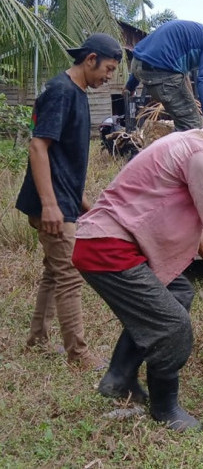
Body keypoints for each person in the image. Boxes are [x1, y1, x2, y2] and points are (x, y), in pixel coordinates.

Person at [72, 96, 203, 432]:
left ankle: (119, 378)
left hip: (115, 241)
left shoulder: (190, 144)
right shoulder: (202, 157)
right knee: (172, 326)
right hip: (108, 247)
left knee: (178, 292)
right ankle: (165, 409)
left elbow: (196, 230)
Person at [17, 33, 123, 370]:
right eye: (107, 68)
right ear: (90, 59)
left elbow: (63, 159)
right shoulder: (61, 92)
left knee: (54, 272)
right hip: (52, 204)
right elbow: (38, 147)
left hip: (64, 200)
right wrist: (50, 205)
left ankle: (37, 340)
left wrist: (84, 204)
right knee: (69, 274)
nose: (109, 77)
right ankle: (78, 355)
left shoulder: (75, 93)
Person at [124, 19, 203, 131]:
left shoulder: (202, 35)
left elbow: (146, 56)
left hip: (137, 64)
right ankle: (166, 155)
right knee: (193, 126)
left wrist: (131, 85)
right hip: (160, 71)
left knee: (189, 115)